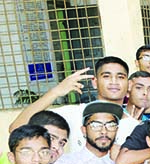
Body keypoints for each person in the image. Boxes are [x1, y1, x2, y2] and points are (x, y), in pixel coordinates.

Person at [9, 56, 139, 156]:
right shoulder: (75, 113)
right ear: (94, 82)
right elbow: (16, 127)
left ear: (128, 84)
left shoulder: (135, 127)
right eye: (106, 76)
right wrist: (56, 91)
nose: (114, 82)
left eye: (120, 77)